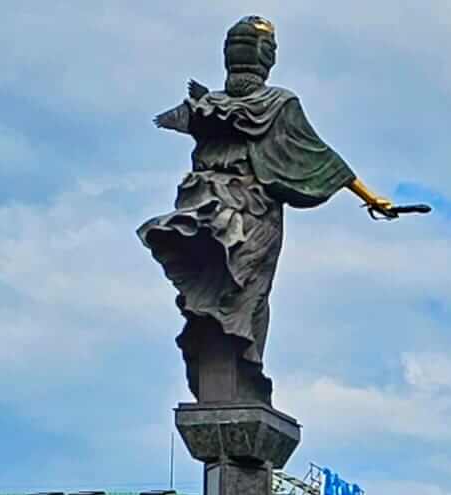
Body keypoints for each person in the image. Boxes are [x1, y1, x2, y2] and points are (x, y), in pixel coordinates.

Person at [139, 17, 413, 404]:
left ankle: (225, 383)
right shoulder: (277, 104)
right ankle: (240, 379)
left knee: (213, 297)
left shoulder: (206, 106)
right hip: (251, 211)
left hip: (201, 206)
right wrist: (370, 197)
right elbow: (320, 156)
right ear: (266, 58)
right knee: (249, 295)